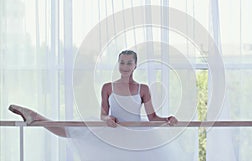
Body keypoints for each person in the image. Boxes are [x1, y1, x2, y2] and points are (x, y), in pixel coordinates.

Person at [8, 50, 187, 161]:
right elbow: (103, 114)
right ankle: (35, 116)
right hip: (113, 129)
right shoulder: (108, 87)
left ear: (135, 65)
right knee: (73, 130)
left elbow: (152, 118)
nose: (125, 66)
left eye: (129, 63)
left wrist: (168, 119)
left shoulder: (143, 89)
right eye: (122, 62)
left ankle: (36, 117)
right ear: (119, 64)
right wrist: (108, 118)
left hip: (135, 133)